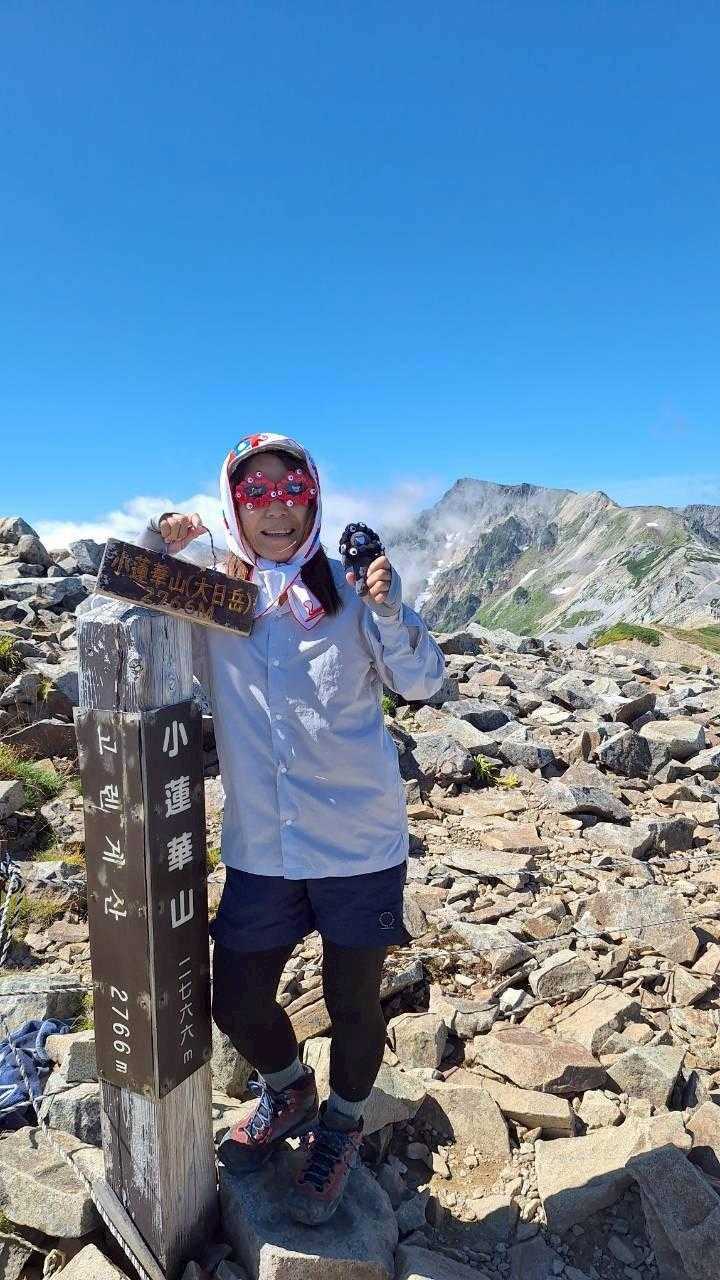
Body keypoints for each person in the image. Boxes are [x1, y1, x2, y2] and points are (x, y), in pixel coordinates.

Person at [138, 431, 444, 1224]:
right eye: (256, 493)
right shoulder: (216, 598)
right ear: (233, 504)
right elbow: (140, 620)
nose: (276, 508)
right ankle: (289, 1090)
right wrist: (158, 546)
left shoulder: (350, 589)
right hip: (264, 846)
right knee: (236, 999)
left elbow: (421, 682)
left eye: (291, 489)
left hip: (358, 843)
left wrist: (390, 609)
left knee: (353, 1002)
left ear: (313, 496)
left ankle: (341, 1124)